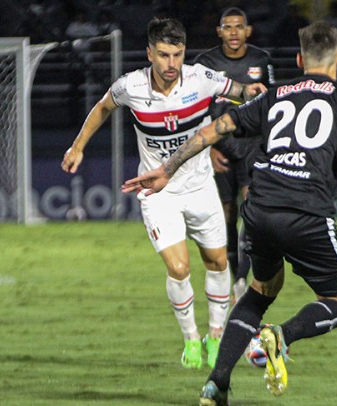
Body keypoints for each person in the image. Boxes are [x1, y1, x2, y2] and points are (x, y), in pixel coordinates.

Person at [122, 21, 337, 405]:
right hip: (306, 212)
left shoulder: (278, 93)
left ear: (300, 59)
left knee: (260, 290)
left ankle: (216, 385)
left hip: (260, 208)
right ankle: (281, 336)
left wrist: (167, 168)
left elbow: (215, 128)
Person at [61, 17, 266, 370]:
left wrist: (251, 91)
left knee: (217, 263)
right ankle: (190, 338)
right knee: (179, 266)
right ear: (149, 54)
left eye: (177, 54)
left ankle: (215, 335)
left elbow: (236, 90)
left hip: (200, 186)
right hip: (158, 191)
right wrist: (78, 145)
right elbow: (103, 107)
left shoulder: (201, 79)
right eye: (164, 55)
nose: (171, 64)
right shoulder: (132, 86)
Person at [193, 7, 275, 304]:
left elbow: (271, 104)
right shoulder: (206, 64)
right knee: (226, 213)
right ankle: (229, 274)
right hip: (222, 148)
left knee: (250, 211)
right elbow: (196, 110)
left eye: (239, 27)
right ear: (219, 32)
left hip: (253, 145)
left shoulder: (261, 61)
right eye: (228, 27)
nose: (233, 33)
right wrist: (210, 147)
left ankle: (242, 279)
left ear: (248, 31)